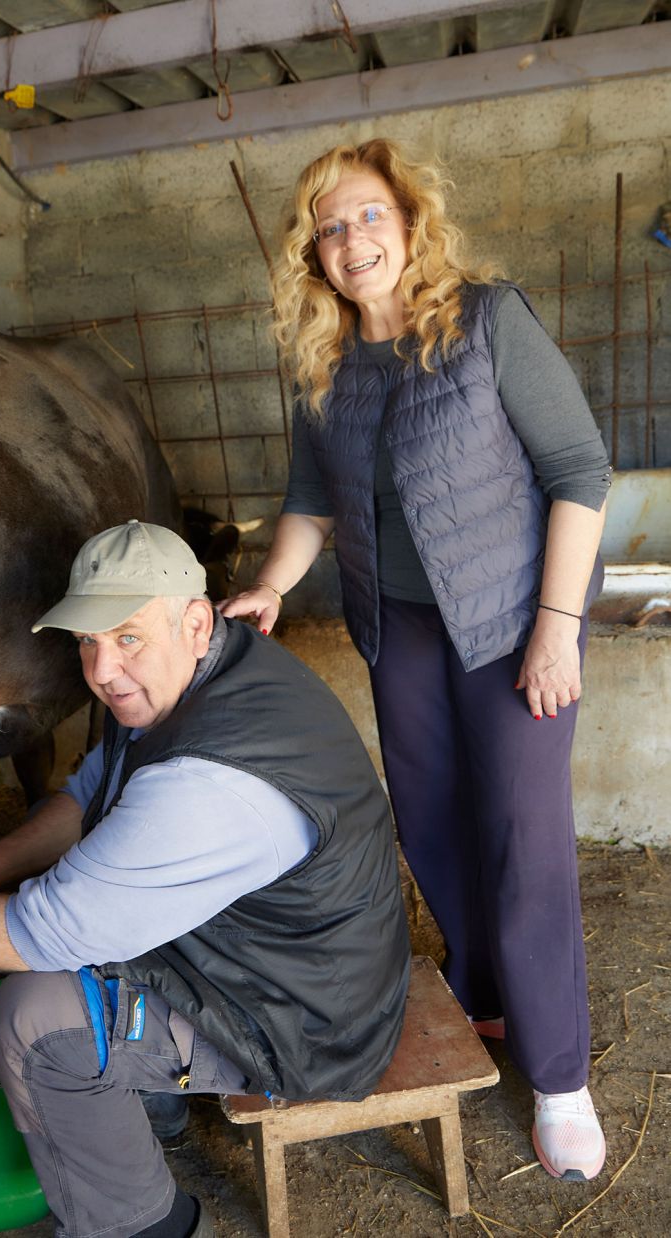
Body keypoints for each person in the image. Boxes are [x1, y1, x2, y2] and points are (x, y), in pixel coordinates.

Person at [219, 138, 611, 1183]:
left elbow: (579, 468)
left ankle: (561, 1073)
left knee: (526, 838)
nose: (352, 241)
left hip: (510, 623)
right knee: (433, 821)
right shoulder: (328, 363)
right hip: (396, 626)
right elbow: (310, 497)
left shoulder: (488, 321)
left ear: (410, 220)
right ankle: (486, 993)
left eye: (368, 216)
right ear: (315, 254)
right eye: (330, 227)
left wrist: (557, 625)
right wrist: (270, 580)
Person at [0, 518, 410, 1238]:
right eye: (87, 640)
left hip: (310, 1021)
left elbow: (45, 931)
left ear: (196, 621)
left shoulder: (211, 777)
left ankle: (149, 1227)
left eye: (127, 637)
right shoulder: (197, 672)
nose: (103, 669)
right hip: (274, 956)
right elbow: (91, 792)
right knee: (93, 929)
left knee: (39, 1020)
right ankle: (155, 1104)